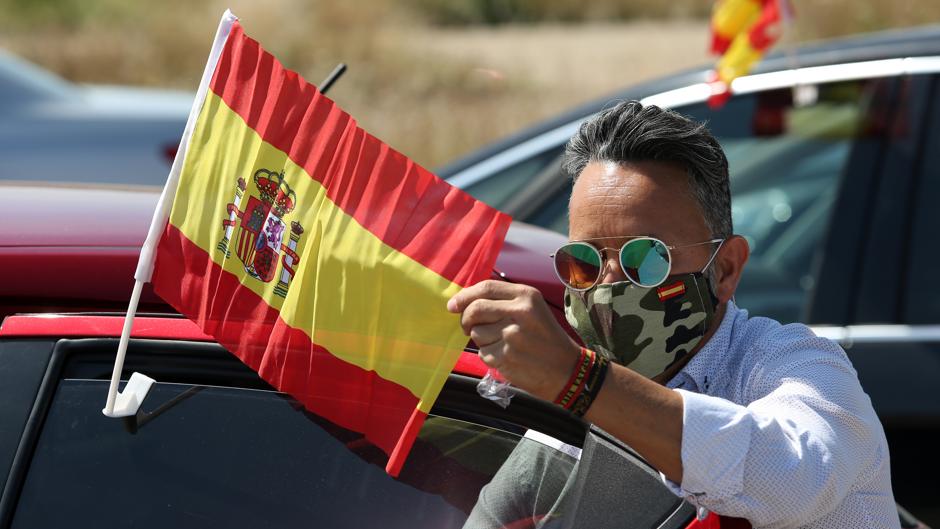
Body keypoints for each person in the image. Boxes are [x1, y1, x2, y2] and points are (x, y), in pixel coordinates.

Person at [448, 101, 899, 528]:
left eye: (645, 258)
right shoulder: (579, 413)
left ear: (725, 269)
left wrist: (580, 380)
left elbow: (792, 474)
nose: (607, 285)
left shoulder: (799, 367)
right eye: (583, 261)